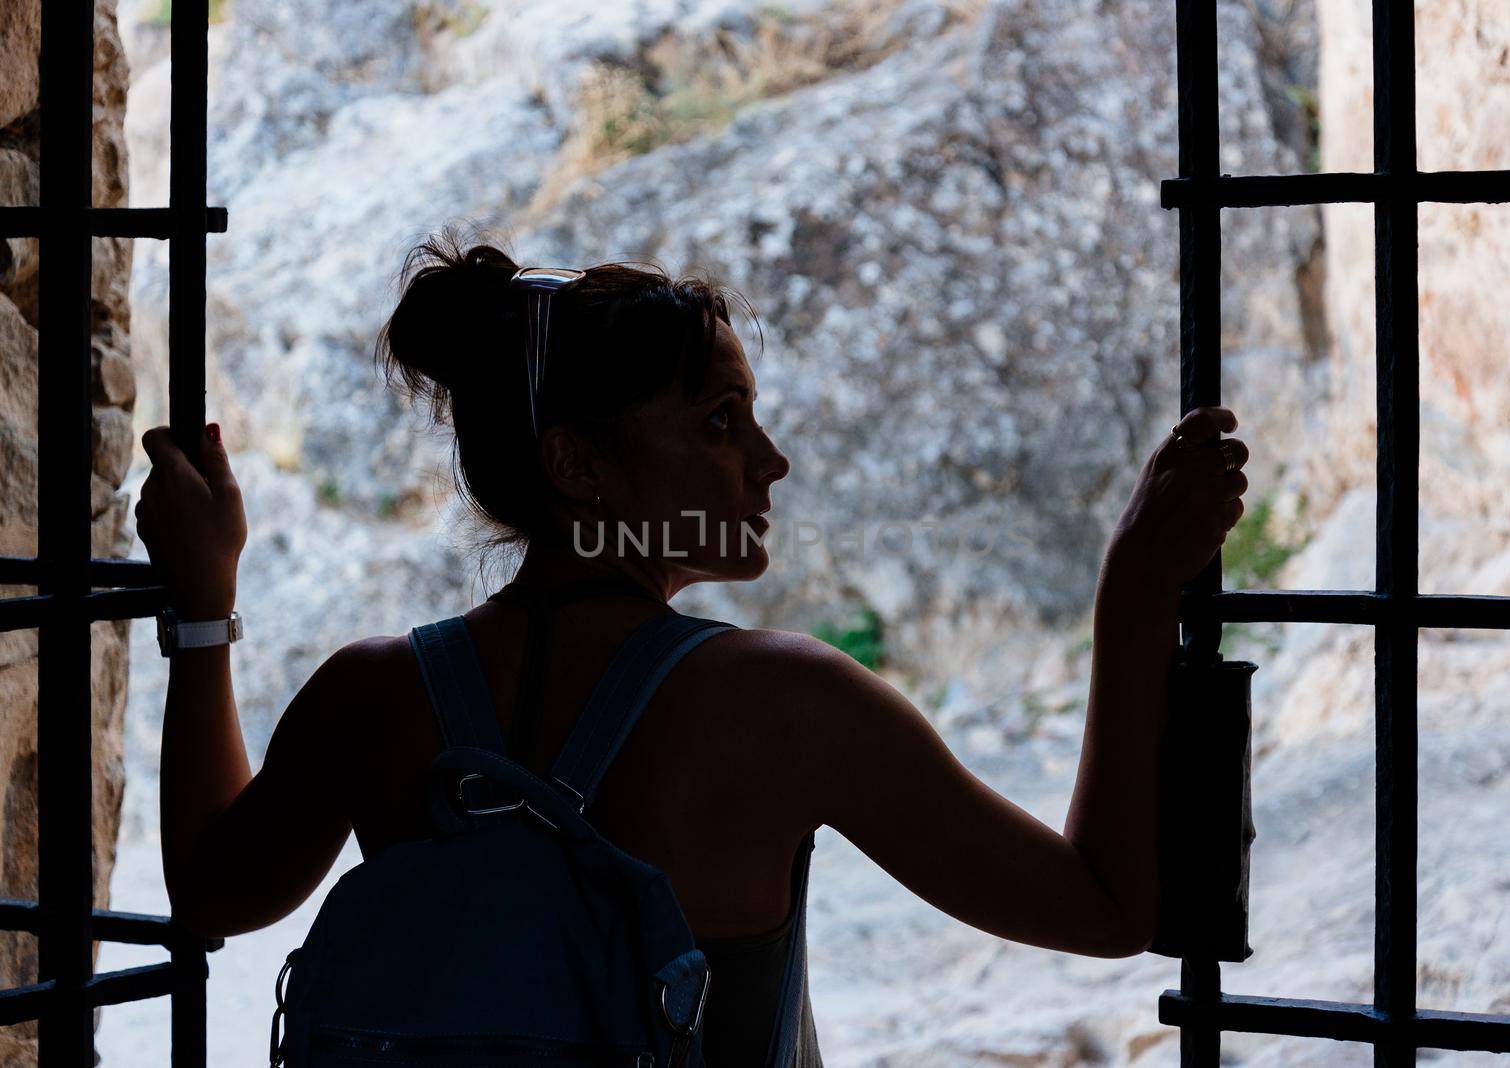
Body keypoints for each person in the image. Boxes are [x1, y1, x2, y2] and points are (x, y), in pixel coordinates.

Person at [135, 227, 1249, 1066]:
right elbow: (1104, 908)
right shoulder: (786, 703)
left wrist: (202, 608)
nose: (768, 462)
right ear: (579, 466)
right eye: (721, 421)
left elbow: (211, 895)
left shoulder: (370, 698)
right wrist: (1134, 603)